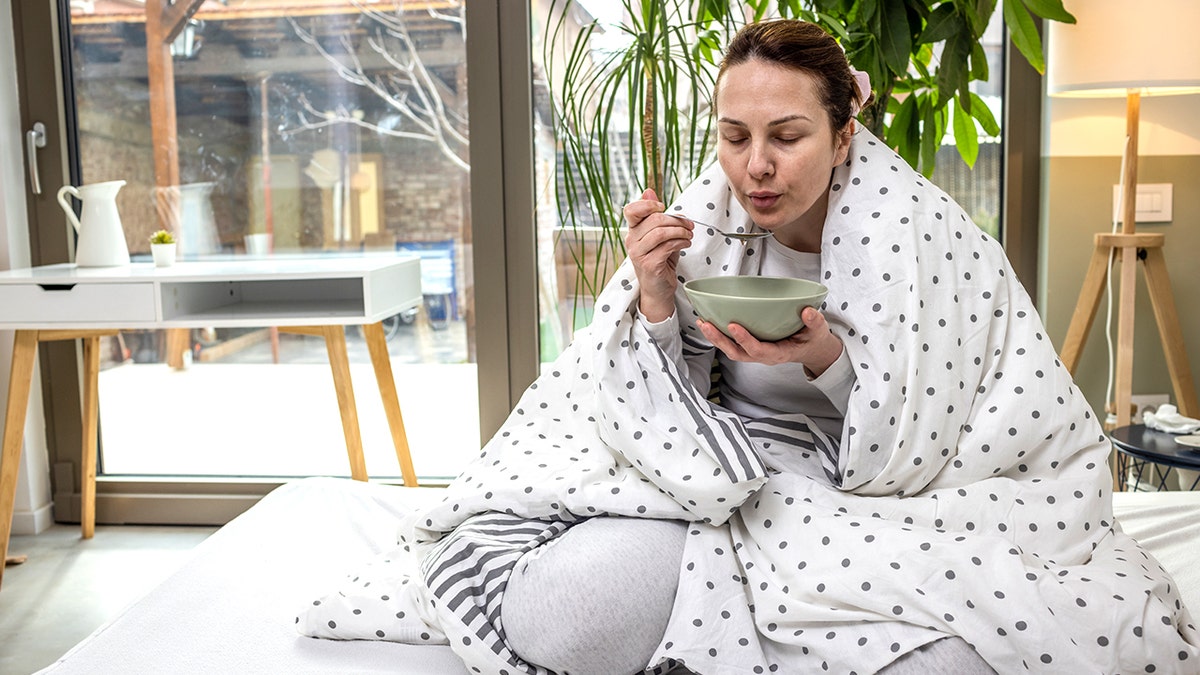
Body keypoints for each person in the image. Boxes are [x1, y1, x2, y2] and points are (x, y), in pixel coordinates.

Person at [299, 19, 1199, 675]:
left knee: (963, 656)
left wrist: (821, 363)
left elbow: (939, 431)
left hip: (882, 498)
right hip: (720, 479)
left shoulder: (921, 234)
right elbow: (636, 395)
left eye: (787, 136)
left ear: (846, 134)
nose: (756, 166)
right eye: (735, 137)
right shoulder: (712, 215)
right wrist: (656, 300)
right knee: (557, 613)